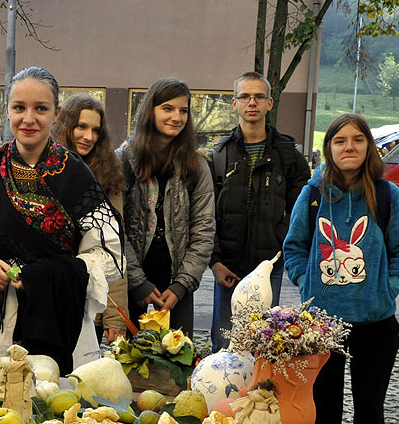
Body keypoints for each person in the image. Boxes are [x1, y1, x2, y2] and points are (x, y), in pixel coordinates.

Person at [0, 66, 123, 374]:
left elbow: (109, 254)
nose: (29, 118)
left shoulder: (76, 177)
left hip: (63, 323)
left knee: (61, 401)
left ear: (56, 114)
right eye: (19, 108)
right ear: (7, 111)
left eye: (41, 109)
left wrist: (45, 276)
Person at [283, 113, 399, 424]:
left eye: (358, 140)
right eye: (340, 140)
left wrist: (389, 285)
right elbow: (294, 247)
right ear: (328, 147)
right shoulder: (313, 195)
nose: (349, 147)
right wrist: (307, 282)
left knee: (370, 405)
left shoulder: (388, 196)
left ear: (368, 147)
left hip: (376, 323)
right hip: (322, 325)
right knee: (323, 405)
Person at [207, 71, 310, 351]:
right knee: (224, 344)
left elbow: (301, 209)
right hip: (228, 266)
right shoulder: (219, 154)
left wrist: (282, 243)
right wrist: (215, 261)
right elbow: (207, 214)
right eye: (245, 97)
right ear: (234, 103)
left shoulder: (288, 154)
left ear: (269, 103)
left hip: (268, 264)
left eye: (258, 97)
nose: (252, 102)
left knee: (262, 343)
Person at [117, 78, 215, 336]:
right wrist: (138, 282)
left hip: (177, 286)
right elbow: (115, 228)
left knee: (179, 358)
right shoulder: (123, 161)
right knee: (128, 358)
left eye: (183, 110)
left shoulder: (197, 166)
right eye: (168, 108)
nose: (177, 117)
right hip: (131, 284)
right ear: (151, 110)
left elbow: (204, 230)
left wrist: (182, 284)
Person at [51, 93, 129, 344]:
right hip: (46, 296)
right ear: (65, 127)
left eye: (96, 130)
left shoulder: (107, 176)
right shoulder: (44, 169)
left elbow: (114, 248)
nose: (89, 137)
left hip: (89, 304)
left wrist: (115, 316)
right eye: (81, 127)